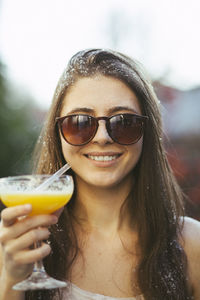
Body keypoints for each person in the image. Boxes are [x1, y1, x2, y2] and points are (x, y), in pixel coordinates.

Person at [0, 49, 200, 300]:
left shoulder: (191, 245)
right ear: (57, 133)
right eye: (80, 122)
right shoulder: (15, 244)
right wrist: (12, 278)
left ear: (147, 133)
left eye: (124, 122)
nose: (102, 138)